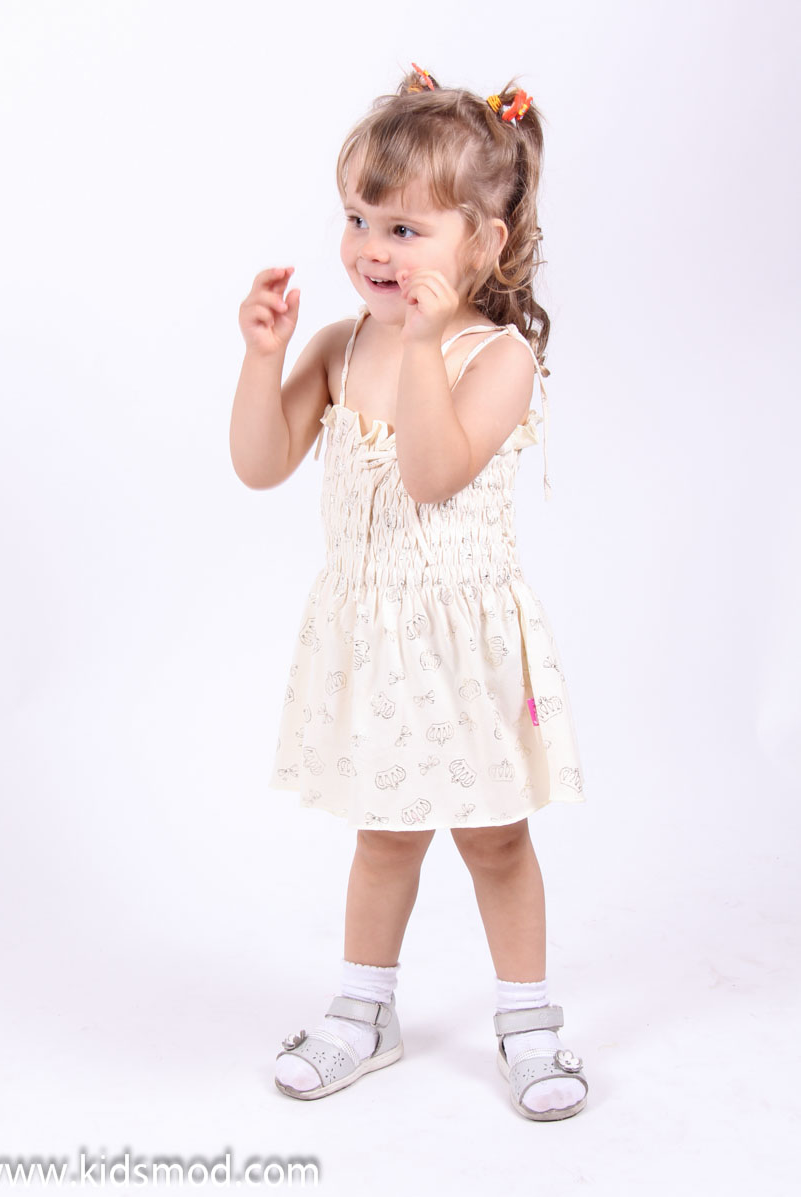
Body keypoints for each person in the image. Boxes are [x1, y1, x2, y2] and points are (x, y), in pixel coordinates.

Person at [229, 64, 590, 1121]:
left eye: (403, 230)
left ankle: (527, 1022)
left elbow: (432, 475)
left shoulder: (494, 357)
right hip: (375, 640)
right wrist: (262, 358)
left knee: (495, 837)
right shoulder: (341, 347)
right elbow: (259, 463)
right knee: (383, 833)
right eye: (357, 220)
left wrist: (426, 346)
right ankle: (364, 1010)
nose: (370, 250)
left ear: (484, 241)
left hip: (466, 648)